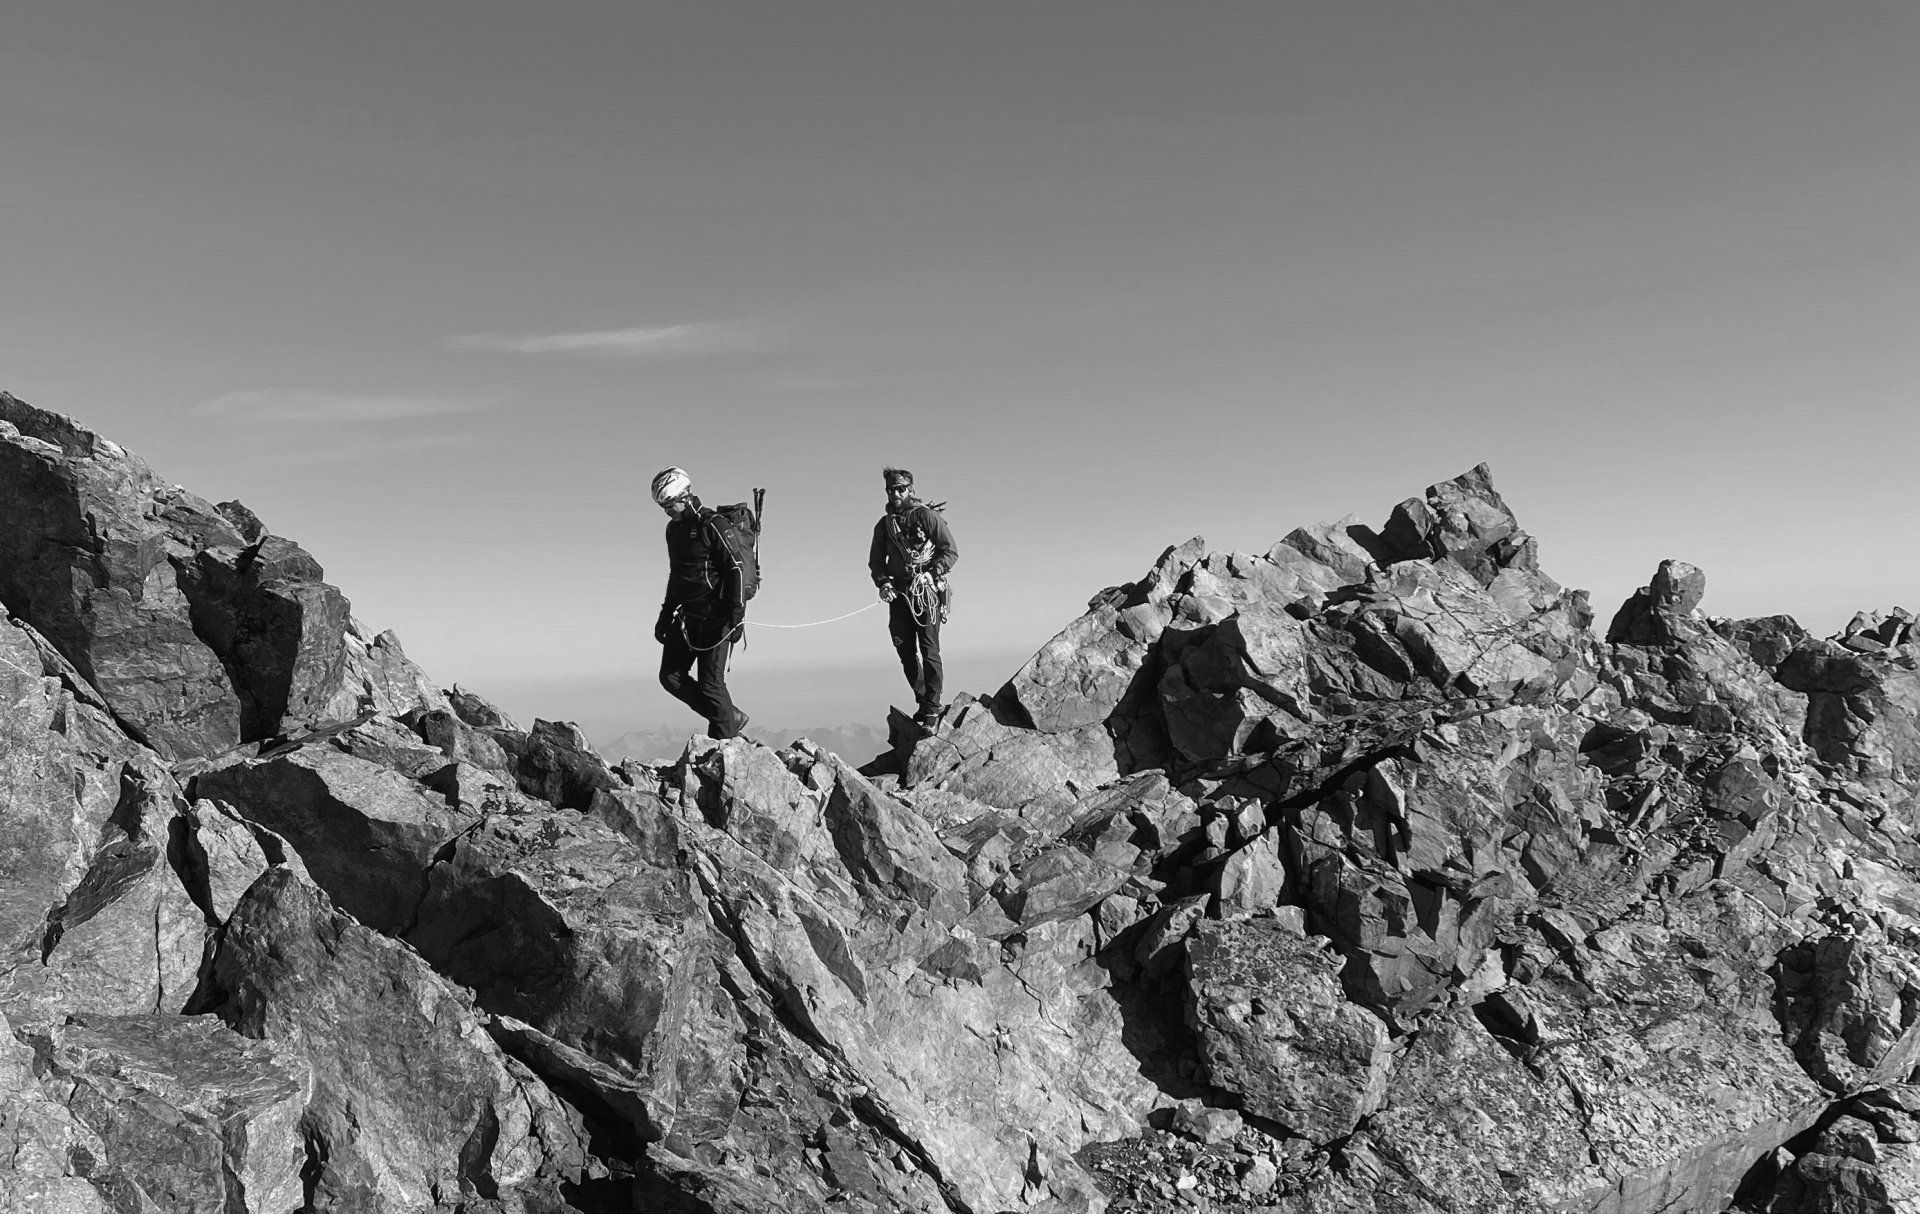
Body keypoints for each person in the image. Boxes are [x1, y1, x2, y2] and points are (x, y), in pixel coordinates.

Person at [651, 467, 749, 739]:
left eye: (669, 504)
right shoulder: (673, 530)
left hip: (718, 616)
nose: (667, 511)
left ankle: (725, 745)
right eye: (662, 506)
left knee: (711, 685)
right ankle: (731, 717)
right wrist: (665, 615)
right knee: (670, 677)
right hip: (687, 617)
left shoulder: (713, 524)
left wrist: (736, 615)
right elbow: (677, 574)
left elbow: (735, 569)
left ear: (684, 495)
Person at [868, 466, 957, 729]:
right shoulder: (884, 526)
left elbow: (949, 550)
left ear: (911, 489)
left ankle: (932, 706)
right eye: (891, 490)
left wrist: (933, 573)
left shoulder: (927, 517)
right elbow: (876, 562)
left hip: (925, 590)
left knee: (929, 649)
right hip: (898, 593)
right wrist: (883, 583)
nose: (896, 494)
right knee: (904, 649)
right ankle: (923, 700)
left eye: (901, 489)